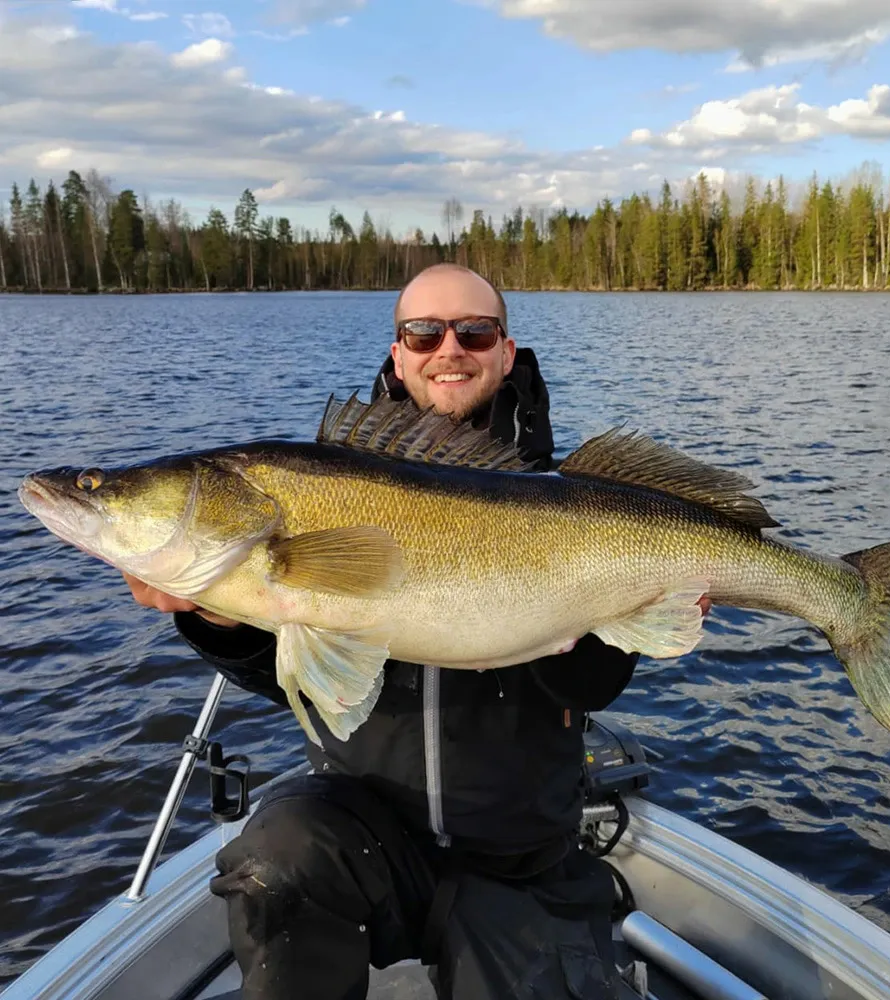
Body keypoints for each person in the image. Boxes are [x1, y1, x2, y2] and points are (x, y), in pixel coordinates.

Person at [124, 263, 704, 1000]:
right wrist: (220, 622)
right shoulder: (318, 488)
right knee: (278, 851)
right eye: (424, 333)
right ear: (398, 354)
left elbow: (592, 686)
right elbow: (302, 677)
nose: (448, 349)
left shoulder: (580, 500)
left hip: (522, 858)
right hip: (365, 839)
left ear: (506, 352)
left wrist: (604, 612)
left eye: (475, 332)